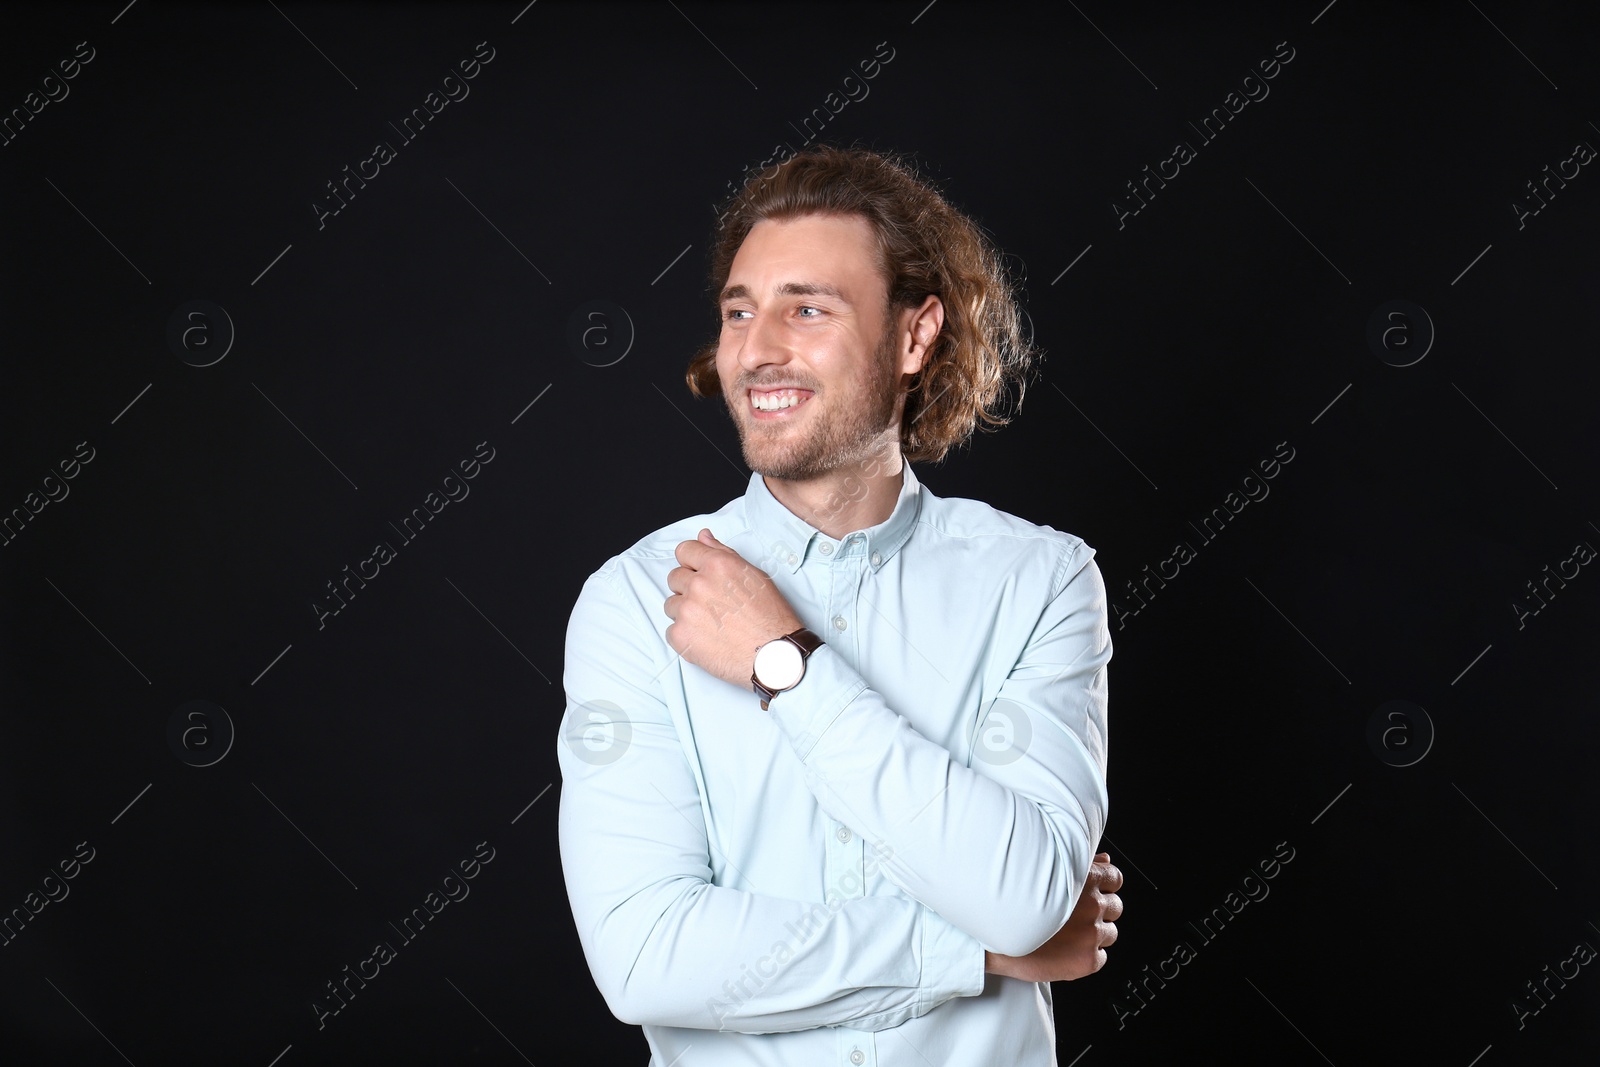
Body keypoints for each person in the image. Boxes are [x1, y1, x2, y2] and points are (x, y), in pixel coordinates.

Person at [557, 144, 1122, 1066]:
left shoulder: (1042, 581)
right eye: (740, 312)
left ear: (914, 336)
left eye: (807, 308)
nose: (757, 349)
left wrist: (788, 664)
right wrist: (970, 950)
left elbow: (1026, 895)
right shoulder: (636, 599)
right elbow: (646, 956)